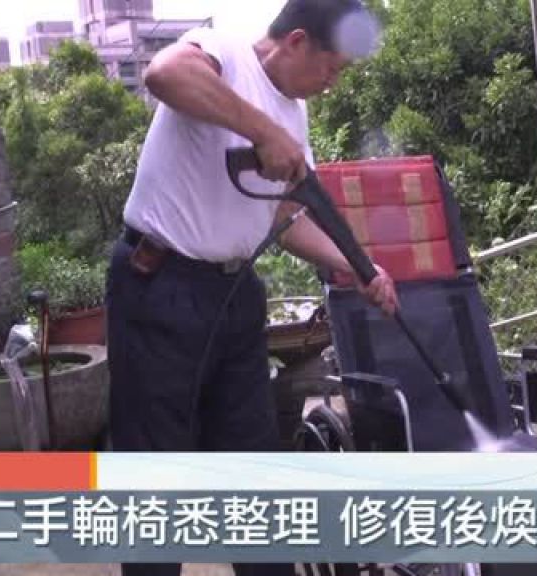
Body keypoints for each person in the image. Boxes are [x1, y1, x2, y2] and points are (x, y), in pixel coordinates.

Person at [107, 1, 397, 575]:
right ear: (296, 41)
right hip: (160, 286)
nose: (333, 84)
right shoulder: (225, 48)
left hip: (234, 295)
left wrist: (358, 267)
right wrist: (262, 131)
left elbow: (285, 220)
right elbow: (163, 74)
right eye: (331, 68)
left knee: (252, 463)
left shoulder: (296, 113)